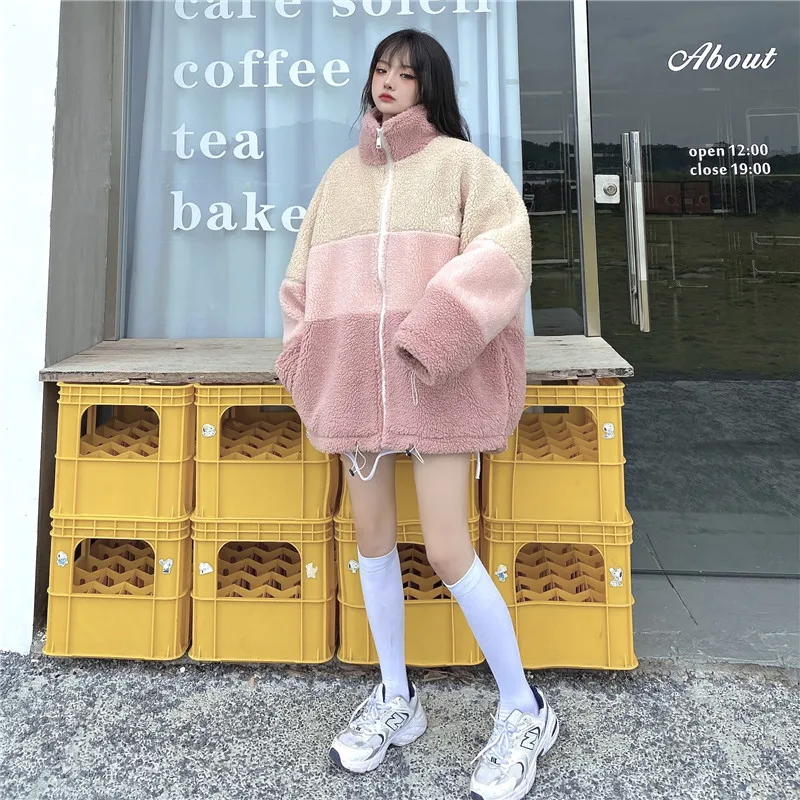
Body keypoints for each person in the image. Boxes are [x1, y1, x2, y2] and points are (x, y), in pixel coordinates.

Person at [275, 27, 559, 800]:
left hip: (438, 386)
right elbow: (299, 285)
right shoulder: (340, 178)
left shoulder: (462, 166)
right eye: (381, 69)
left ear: (429, 85)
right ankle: (396, 697)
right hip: (355, 393)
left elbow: (506, 254)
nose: (389, 82)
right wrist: (304, 364)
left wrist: (433, 334)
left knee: (445, 549)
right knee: (371, 543)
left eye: (405, 72)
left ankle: (524, 706)